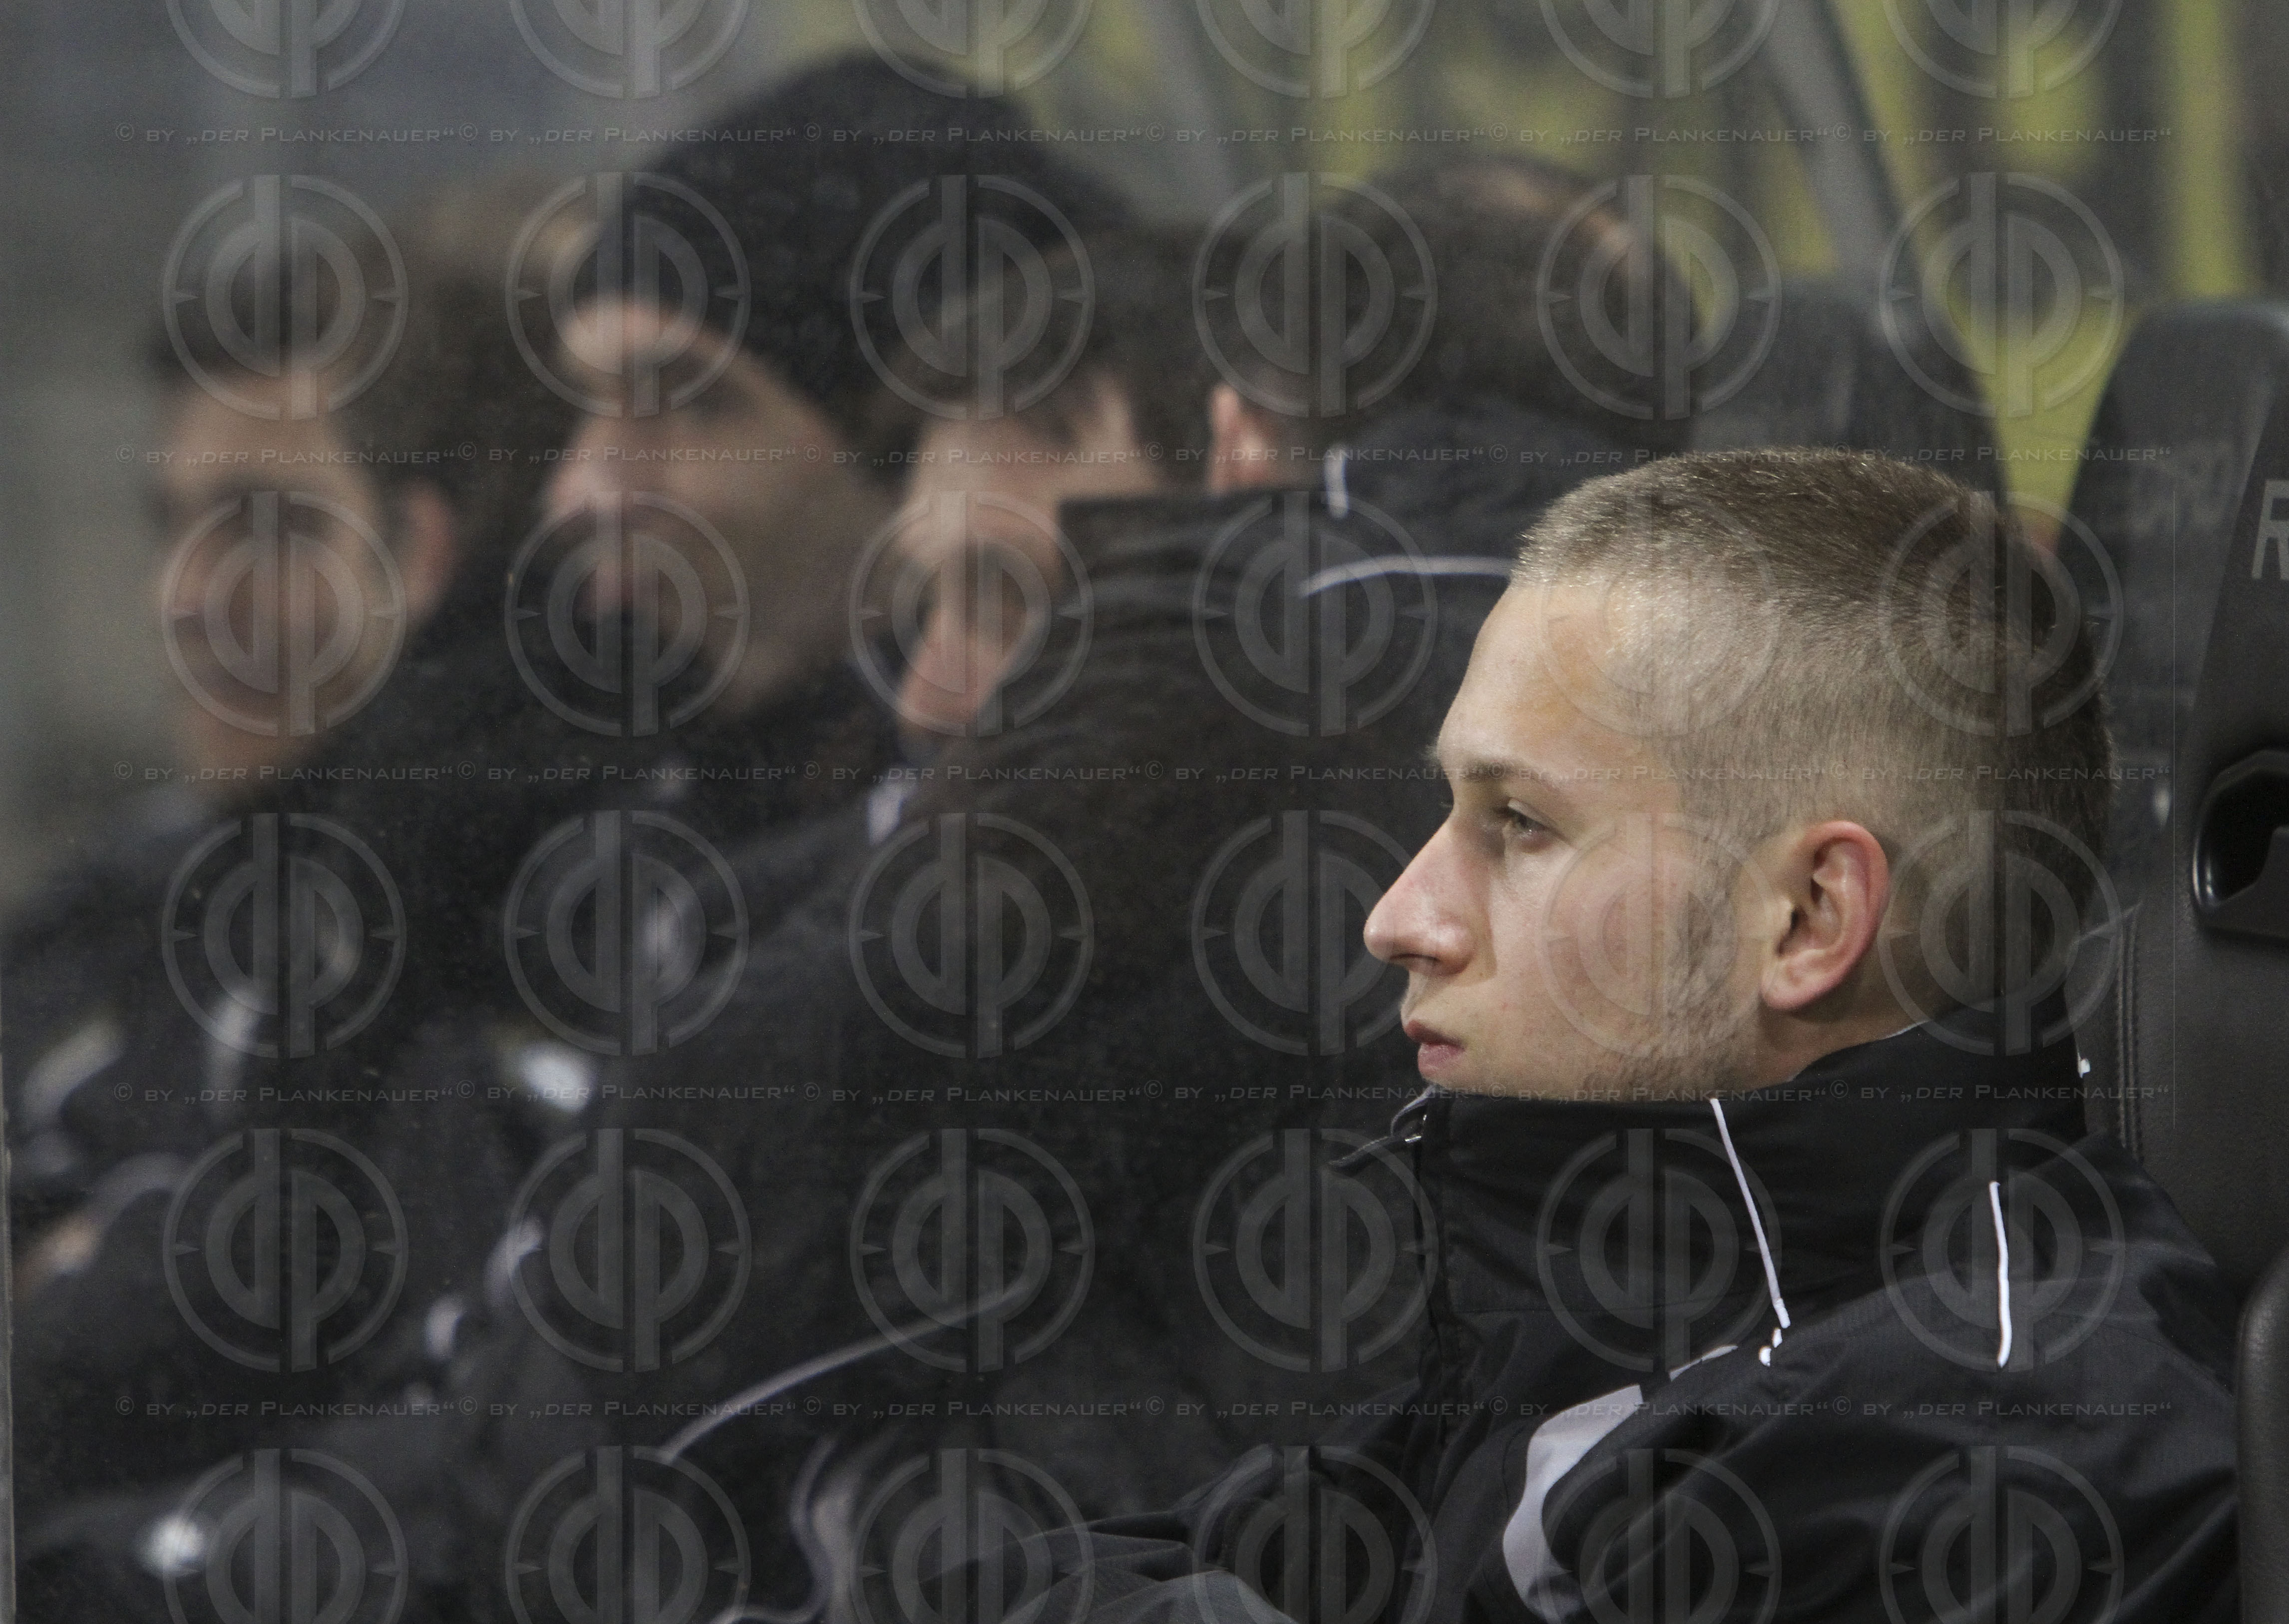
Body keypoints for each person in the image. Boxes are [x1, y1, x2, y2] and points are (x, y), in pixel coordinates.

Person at [399, 151, 1714, 1624]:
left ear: (1231, 453)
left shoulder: (1212, 705)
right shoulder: (1783, 694)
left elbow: (693, 1249)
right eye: (926, 607)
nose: (946, 693)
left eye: (1030, 604)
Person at [953, 449, 2236, 1623]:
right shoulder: (1629, 1286)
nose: (1399, 919)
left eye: (1519, 824)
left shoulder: (1981, 1454)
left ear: (1805, 918)